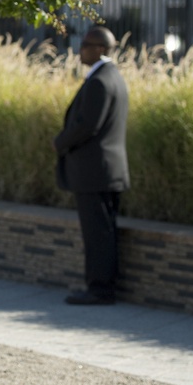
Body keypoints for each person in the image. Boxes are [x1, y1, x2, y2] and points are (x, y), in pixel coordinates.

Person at [53, 25, 130, 306]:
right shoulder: (114, 77)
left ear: (100, 49)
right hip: (106, 170)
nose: (80, 49)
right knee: (104, 232)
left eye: (85, 45)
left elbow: (88, 125)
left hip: (95, 171)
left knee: (97, 235)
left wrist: (59, 142)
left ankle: (99, 289)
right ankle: (103, 286)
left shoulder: (99, 81)